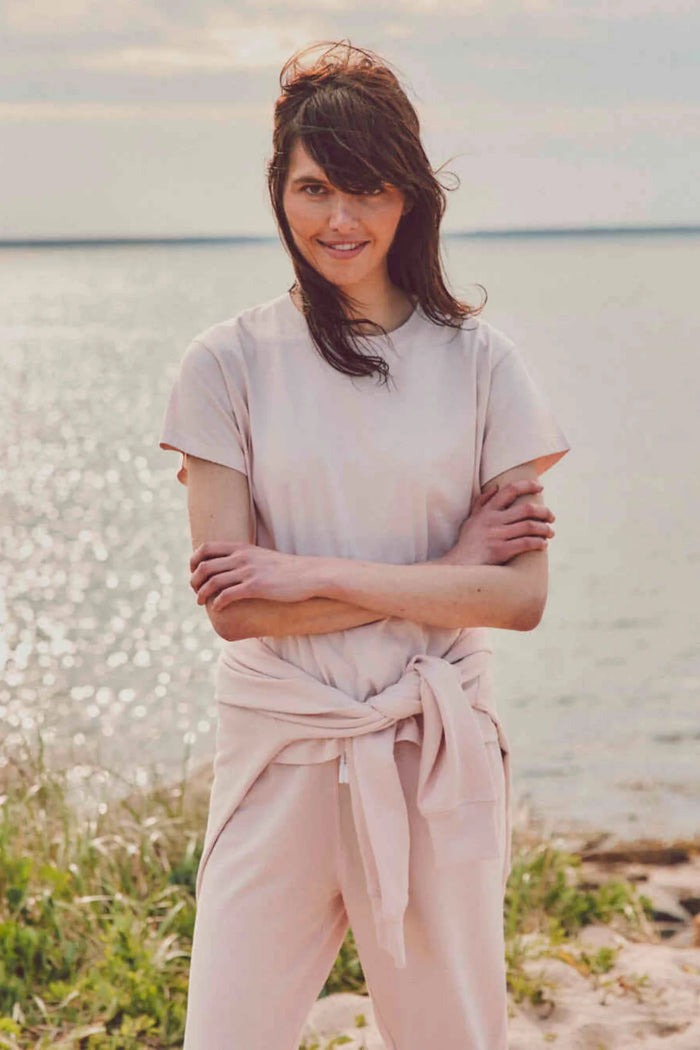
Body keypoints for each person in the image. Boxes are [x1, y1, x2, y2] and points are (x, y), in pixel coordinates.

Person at [159, 39, 571, 1050]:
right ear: (278, 191)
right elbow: (236, 609)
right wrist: (445, 575)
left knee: (450, 1038)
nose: (338, 219)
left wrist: (311, 572)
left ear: (409, 197)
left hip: (433, 750)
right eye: (312, 188)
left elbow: (517, 601)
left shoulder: (482, 363)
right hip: (279, 752)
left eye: (367, 188)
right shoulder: (225, 364)